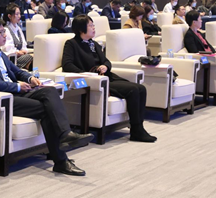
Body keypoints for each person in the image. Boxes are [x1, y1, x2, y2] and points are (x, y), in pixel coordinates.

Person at [0, 16, 94, 176]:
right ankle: (62, 156)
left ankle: (65, 138)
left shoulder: (0, 54)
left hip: (17, 93)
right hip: (3, 99)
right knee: (47, 110)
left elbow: (17, 71)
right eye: (0, 33)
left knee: (50, 91)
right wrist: (16, 86)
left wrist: (29, 78)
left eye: (4, 31)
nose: (5, 35)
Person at [62, 15, 156, 143]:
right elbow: (67, 65)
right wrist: (87, 74)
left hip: (107, 77)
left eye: (93, 25)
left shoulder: (94, 44)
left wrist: (105, 66)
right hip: (95, 81)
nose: (93, 28)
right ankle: (136, 130)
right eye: (90, 25)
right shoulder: (71, 44)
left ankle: (139, 127)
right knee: (133, 90)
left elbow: (106, 61)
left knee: (141, 88)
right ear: (80, 29)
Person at [2, 4, 33, 69]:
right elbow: (7, 50)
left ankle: (33, 70)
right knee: (31, 58)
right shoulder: (6, 30)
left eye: (19, 13)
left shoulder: (18, 28)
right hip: (12, 58)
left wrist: (24, 51)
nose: (19, 16)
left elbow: (24, 44)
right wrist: (18, 52)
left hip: (22, 56)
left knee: (35, 56)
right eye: (17, 14)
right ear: (9, 16)